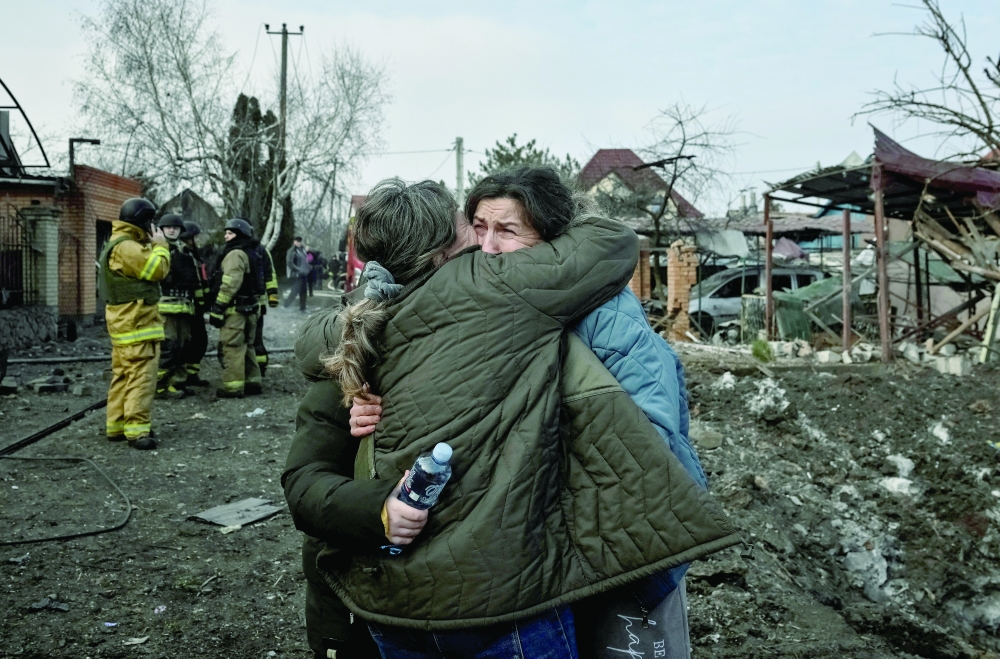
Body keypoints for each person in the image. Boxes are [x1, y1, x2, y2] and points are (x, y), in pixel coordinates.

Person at [284, 175, 737, 658]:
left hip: (591, 557)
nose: (488, 246)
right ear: (443, 249)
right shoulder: (466, 297)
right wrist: (378, 509)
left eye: (508, 230)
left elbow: (650, 434)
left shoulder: (364, 325)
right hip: (499, 597)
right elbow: (307, 477)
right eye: (476, 227)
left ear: (553, 242)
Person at [99, 197, 170, 450]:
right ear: (143, 221)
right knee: (141, 377)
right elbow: (158, 269)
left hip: (125, 326)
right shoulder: (128, 247)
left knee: (123, 375)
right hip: (137, 326)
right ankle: (137, 431)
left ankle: (116, 425)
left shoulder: (117, 243)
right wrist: (161, 246)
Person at [209, 219, 264, 398]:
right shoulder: (252, 253)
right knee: (247, 346)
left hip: (235, 311)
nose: (226, 236)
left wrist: (218, 307)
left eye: (230, 233)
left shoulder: (234, 254)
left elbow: (230, 284)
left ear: (240, 235)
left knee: (232, 347)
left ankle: (233, 387)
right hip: (250, 310)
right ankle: (252, 381)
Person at [154, 214, 200, 399]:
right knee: (168, 346)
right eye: (168, 227)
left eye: (176, 227)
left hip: (184, 307)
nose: (172, 230)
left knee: (183, 346)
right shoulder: (156, 250)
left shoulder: (185, 252)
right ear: (162, 229)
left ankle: (177, 383)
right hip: (165, 307)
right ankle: (159, 386)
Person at [178, 221, 211, 387]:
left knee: (200, 341)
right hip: (187, 305)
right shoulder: (182, 255)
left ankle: (192, 374)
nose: (197, 240)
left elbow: (202, 279)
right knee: (187, 342)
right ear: (187, 238)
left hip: (197, 306)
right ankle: (181, 376)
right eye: (194, 237)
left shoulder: (195, 254)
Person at [248, 227, 280, 377]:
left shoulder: (260, 251)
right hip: (249, 302)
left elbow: (269, 273)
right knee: (252, 337)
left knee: (256, 336)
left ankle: (259, 367)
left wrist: (272, 294)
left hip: (258, 303)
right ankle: (253, 367)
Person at [285, 236, 310, 312]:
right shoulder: (292, 251)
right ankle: (285, 306)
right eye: (297, 241)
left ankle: (303, 308)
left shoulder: (303, 250)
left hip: (303, 274)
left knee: (303, 292)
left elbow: (309, 259)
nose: (298, 242)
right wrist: (298, 269)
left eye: (300, 241)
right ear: (294, 242)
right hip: (296, 275)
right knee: (294, 292)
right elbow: (289, 263)